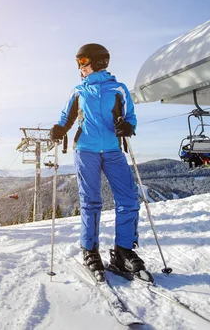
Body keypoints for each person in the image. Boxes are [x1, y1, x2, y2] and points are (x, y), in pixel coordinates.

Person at [49, 43, 146, 280]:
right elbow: (67, 116)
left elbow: (131, 116)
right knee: (91, 201)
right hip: (86, 150)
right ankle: (90, 249)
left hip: (113, 150)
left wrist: (128, 126)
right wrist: (60, 129)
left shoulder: (118, 89)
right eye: (78, 62)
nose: (79, 67)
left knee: (129, 200)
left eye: (83, 62)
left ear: (99, 62)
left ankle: (123, 251)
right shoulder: (78, 91)